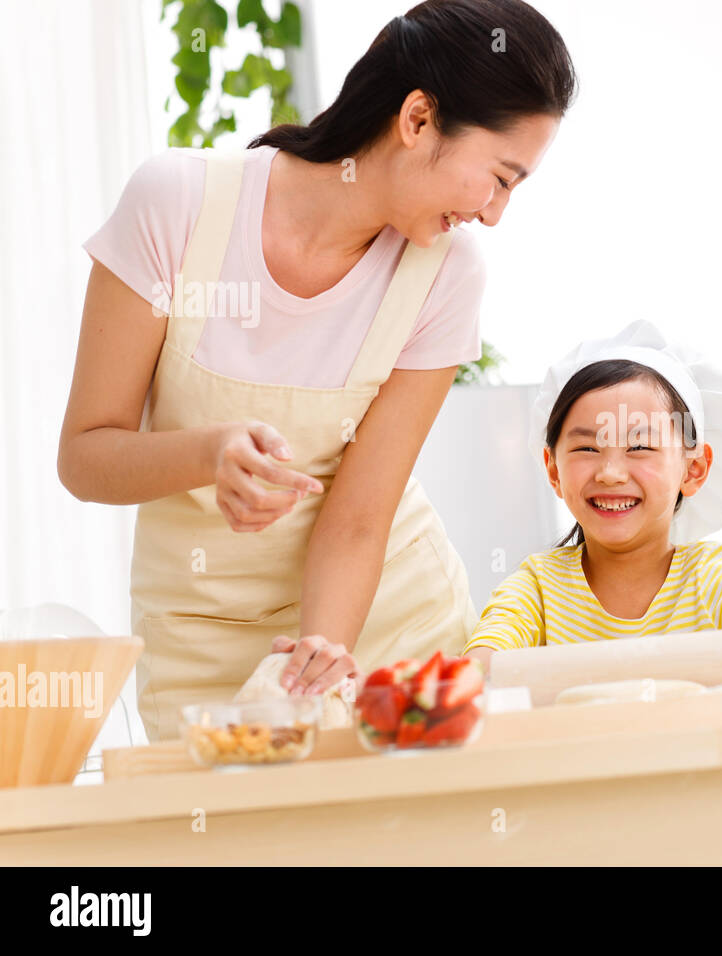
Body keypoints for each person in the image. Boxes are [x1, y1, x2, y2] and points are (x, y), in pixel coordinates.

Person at [57, 0, 577, 739]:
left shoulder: (445, 272)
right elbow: (85, 455)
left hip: (386, 630)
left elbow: (361, 516)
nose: (495, 213)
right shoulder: (176, 206)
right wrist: (205, 453)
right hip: (199, 644)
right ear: (419, 119)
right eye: (499, 177)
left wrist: (317, 658)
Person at [463, 321, 722, 672]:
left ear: (693, 469)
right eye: (587, 449)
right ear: (553, 469)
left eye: (640, 447)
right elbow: (482, 663)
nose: (610, 473)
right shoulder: (538, 588)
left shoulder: (715, 577)